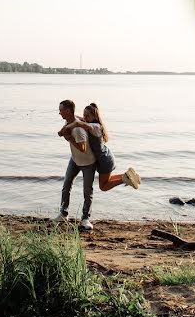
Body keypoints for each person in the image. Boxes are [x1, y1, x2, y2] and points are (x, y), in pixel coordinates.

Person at [59, 102, 140, 192]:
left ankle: (124, 180)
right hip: (106, 157)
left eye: (87, 116)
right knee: (106, 181)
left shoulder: (95, 126)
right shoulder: (90, 122)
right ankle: (128, 175)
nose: (85, 118)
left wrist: (65, 129)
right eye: (84, 115)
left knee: (103, 187)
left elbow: (78, 124)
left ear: (95, 117)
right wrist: (71, 117)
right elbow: (77, 118)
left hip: (104, 160)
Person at [54, 99, 97, 230]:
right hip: (75, 160)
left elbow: (83, 148)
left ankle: (85, 219)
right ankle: (63, 213)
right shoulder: (70, 121)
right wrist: (62, 132)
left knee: (87, 191)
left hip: (88, 162)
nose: (59, 112)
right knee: (66, 185)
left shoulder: (78, 129)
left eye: (61, 110)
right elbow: (63, 130)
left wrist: (69, 138)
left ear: (67, 111)